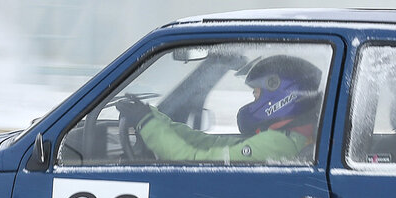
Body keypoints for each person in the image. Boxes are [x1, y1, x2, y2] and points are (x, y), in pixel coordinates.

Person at [113, 54, 322, 163]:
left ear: (278, 95)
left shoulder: (276, 143)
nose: (253, 96)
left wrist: (147, 124)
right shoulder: (285, 137)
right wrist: (153, 116)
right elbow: (210, 142)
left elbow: (194, 162)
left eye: (257, 91)